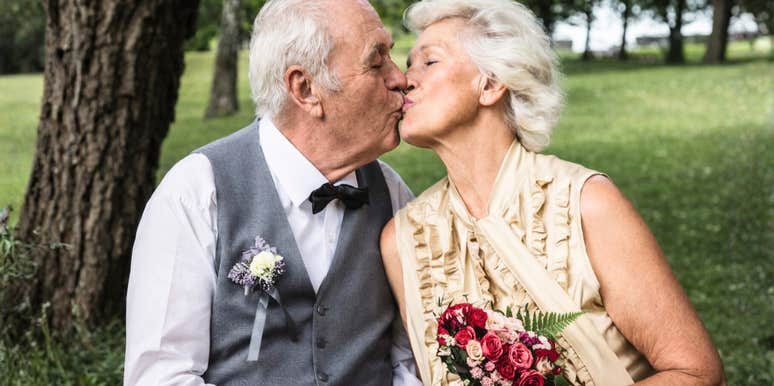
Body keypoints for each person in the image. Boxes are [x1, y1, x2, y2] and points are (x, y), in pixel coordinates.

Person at [380, 0, 726, 385]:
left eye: (429, 62)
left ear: (491, 84)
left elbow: (698, 374)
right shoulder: (403, 241)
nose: (404, 79)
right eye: (408, 64)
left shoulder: (587, 203)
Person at [124, 1, 423, 385]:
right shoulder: (196, 194)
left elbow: (408, 361)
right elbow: (161, 376)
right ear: (305, 88)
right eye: (376, 61)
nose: (400, 78)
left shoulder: (392, 194)